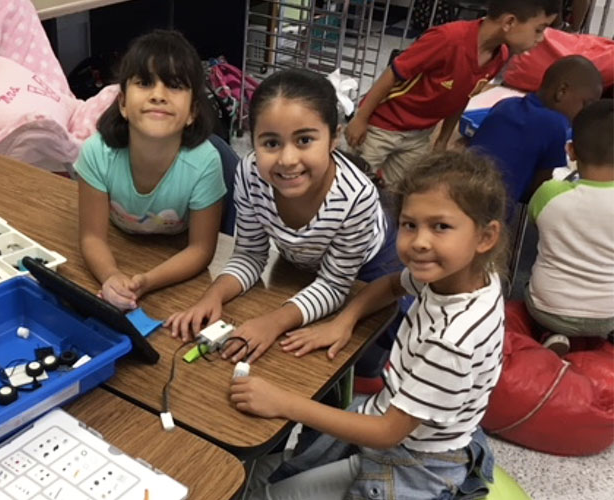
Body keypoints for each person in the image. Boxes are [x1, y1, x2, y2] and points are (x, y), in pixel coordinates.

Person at [233, 150, 508, 500]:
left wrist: (283, 402)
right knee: (286, 467)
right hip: (398, 420)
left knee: (266, 495)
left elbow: (387, 432)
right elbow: (392, 285)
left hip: (413, 462)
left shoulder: (451, 342)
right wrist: (343, 322)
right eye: (410, 225)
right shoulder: (465, 275)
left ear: (485, 237)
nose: (420, 242)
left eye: (441, 226)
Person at [165, 68, 401, 372]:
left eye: (304, 140)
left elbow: (333, 284)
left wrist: (272, 323)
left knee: (362, 356)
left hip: (370, 263)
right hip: (302, 259)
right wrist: (213, 297)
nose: (287, 159)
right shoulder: (251, 172)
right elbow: (250, 254)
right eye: (271, 143)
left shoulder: (357, 198)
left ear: (334, 138)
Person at [75, 30, 226, 310]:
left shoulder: (206, 162)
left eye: (174, 85)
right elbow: (92, 237)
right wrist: (111, 276)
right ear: (122, 103)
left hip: (174, 261)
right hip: (122, 246)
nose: (158, 95)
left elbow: (201, 249)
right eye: (144, 83)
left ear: (193, 111)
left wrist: (147, 281)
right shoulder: (97, 152)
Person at [346, 0, 559, 187]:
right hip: (381, 125)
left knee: (398, 191)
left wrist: (442, 140)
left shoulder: (499, 55)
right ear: (509, 22)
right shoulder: (448, 39)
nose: (541, 38)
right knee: (355, 182)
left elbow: (461, 96)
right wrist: (361, 118)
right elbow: (393, 74)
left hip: (419, 134)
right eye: (539, 29)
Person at [526, 99, 614, 355]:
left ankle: (550, 334)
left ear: (571, 151)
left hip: (547, 308)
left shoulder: (549, 193)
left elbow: (534, 223)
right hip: (608, 314)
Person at [470, 55, 602, 204]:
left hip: (460, 191)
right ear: (561, 91)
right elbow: (539, 191)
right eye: (585, 104)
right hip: (490, 212)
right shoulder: (556, 125)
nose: (584, 113)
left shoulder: (505, 104)